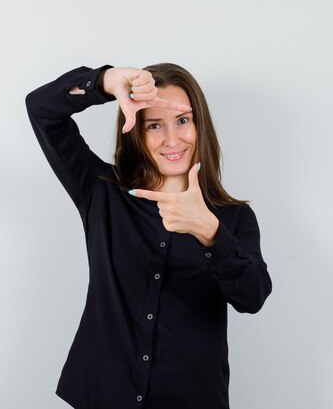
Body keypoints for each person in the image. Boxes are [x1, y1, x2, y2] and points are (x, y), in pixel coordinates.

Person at [25, 64, 272, 409]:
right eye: (154, 125)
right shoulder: (101, 192)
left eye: (183, 120)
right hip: (102, 398)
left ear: (200, 126)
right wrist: (103, 82)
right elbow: (41, 109)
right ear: (136, 133)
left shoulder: (233, 218)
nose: (172, 140)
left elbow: (253, 297)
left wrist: (209, 231)